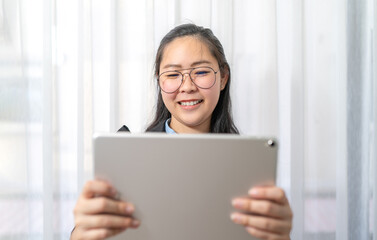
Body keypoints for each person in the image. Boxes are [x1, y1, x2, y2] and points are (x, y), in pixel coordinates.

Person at [71, 23, 293, 240]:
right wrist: (82, 233)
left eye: (201, 71)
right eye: (173, 74)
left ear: (223, 77)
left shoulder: (250, 164)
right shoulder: (127, 156)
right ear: (160, 81)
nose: (187, 86)